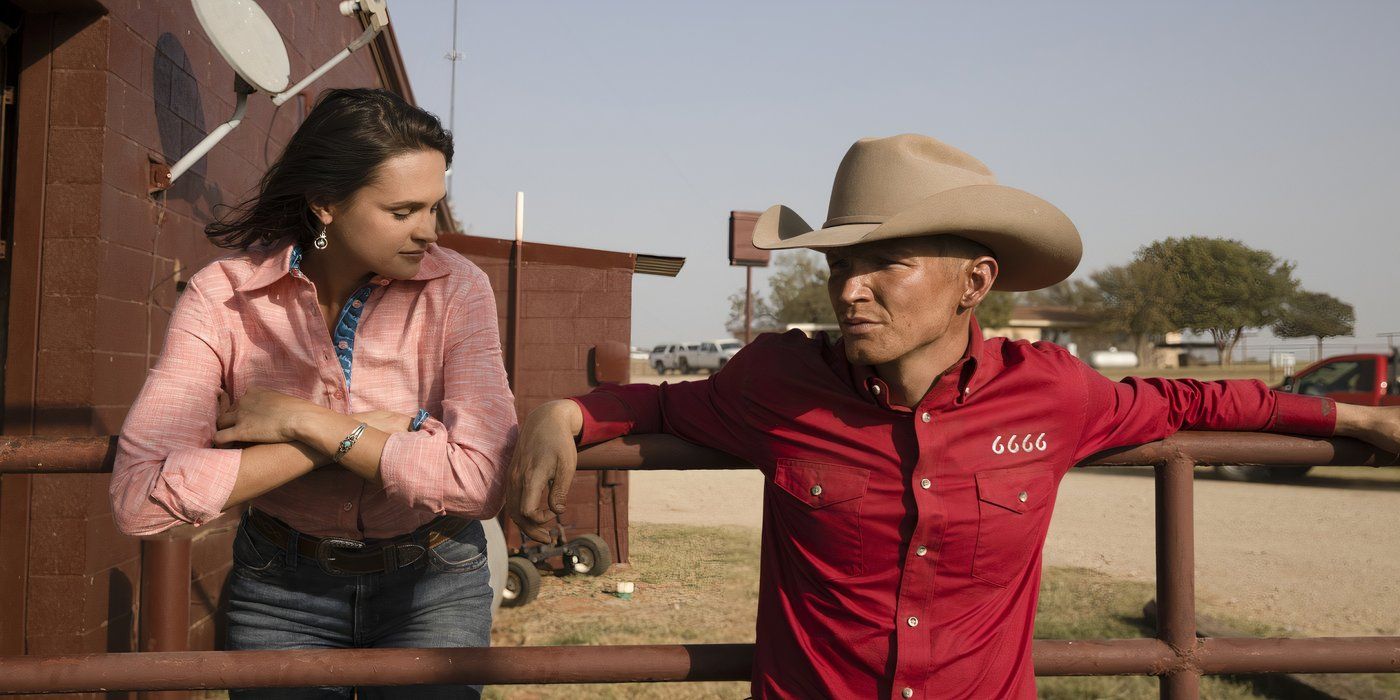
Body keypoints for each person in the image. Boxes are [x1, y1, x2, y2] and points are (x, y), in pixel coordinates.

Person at [505, 134, 1400, 698]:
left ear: (976, 282)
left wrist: (1351, 421)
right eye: (836, 266)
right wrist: (566, 414)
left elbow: (1193, 400)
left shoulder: (1052, 392)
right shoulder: (778, 381)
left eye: (885, 264)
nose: (848, 289)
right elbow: (662, 401)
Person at [110, 88, 518, 699]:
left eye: (435, 207)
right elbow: (139, 496)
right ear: (325, 203)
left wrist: (306, 421)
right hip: (279, 592)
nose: (429, 233)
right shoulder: (222, 297)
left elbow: (481, 480)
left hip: (433, 582)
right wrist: (355, 435)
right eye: (403, 211)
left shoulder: (458, 290)